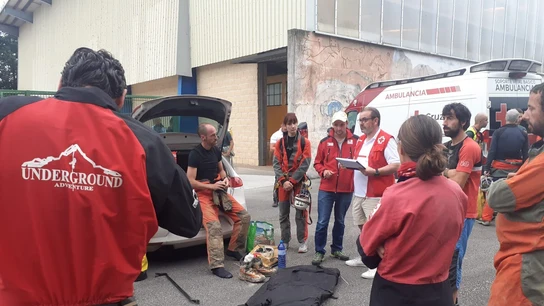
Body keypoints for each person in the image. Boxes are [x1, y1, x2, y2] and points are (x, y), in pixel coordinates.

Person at [0, 47, 202, 305]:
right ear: (121, 99)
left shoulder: (7, 117)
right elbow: (189, 221)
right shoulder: (145, 143)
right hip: (105, 299)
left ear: (61, 84)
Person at [359, 115, 467, 306]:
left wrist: (378, 244)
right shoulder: (456, 192)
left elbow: (367, 250)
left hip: (397, 292)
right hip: (439, 291)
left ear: (401, 150)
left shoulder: (396, 195)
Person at [487, 83, 544, 306]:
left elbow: (498, 197)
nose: (525, 115)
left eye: (531, 108)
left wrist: (507, 182)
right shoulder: (534, 146)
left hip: (527, 260)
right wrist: (519, 179)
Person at [187, 123, 251, 279]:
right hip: (203, 194)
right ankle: (217, 266)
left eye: (216, 134)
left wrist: (225, 179)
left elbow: (221, 170)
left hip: (219, 191)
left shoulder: (216, 151)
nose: (216, 137)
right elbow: (190, 181)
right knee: (214, 227)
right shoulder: (195, 154)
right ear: (203, 137)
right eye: (213, 135)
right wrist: (211, 186)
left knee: (244, 217)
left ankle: (234, 249)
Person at [344, 106, 400, 279]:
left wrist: (375, 171)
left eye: (364, 120)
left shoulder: (386, 139)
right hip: (359, 193)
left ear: (375, 121)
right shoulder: (361, 140)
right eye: (360, 120)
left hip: (375, 193)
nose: (360, 123)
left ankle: (379, 265)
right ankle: (366, 256)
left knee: (376, 230)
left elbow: (396, 164)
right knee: (363, 227)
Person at [441, 103, 482, 306]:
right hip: (446, 211)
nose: (445, 122)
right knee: (443, 259)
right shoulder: (447, 147)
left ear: (463, 122)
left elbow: (458, 182)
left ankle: (453, 302)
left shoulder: (470, 147)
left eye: (450, 118)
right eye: (444, 118)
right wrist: (450, 171)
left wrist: (444, 172)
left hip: (464, 213)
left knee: (453, 262)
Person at [311, 111, 358, 265]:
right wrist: (323, 171)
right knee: (322, 221)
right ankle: (319, 251)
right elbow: (317, 162)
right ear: (332, 125)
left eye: (342, 124)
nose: (339, 128)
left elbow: (361, 161)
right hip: (327, 188)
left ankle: (337, 249)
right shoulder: (325, 142)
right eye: (336, 125)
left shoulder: (356, 141)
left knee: (340, 221)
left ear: (347, 125)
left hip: (346, 189)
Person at [479, 109, 528, 226]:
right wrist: (525, 168)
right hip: (516, 168)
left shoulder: (498, 132)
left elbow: (492, 151)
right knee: (515, 192)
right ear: (517, 119)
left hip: (498, 167)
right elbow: (526, 154)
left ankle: (486, 218)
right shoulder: (523, 133)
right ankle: (515, 218)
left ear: (505, 118)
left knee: (493, 191)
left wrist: (487, 168)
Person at [273, 113, 312, 253]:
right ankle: (285, 240)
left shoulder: (304, 142)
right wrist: (283, 181)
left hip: (299, 181)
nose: (292, 126)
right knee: (283, 213)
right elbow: (276, 163)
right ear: (284, 126)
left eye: (294, 122)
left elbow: (305, 162)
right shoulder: (279, 143)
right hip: (283, 182)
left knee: (300, 213)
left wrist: (293, 180)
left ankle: (302, 241)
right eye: (289, 123)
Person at [270, 123, 287, 207]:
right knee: (278, 179)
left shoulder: (291, 135)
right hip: (278, 159)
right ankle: (276, 199)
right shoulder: (276, 135)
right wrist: (280, 149)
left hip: (287, 161)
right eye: (285, 125)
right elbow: (271, 147)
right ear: (281, 125)